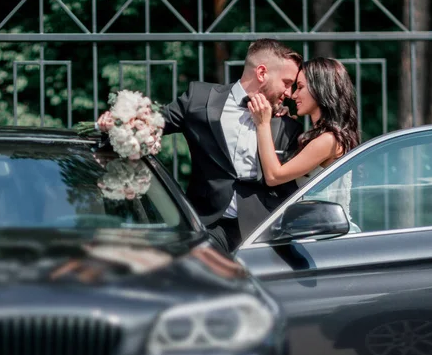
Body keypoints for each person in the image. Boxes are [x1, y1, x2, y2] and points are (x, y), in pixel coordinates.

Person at [97, 39, 304, 253]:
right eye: (286, 83)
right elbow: (150, 126)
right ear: (262, 73)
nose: (289, 93)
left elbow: (288, 190)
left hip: (261, 233)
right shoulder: (199, 99)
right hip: (206, 226)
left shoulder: (286, 125)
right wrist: (113, 129)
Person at [247, 57, 360, 222]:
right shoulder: (325, 137)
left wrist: (262, 124)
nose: (293, 95)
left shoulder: (328, 140)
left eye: (300, 87)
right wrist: (284, 126)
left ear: (320, 89)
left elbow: (273, 176)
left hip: (327, 236)